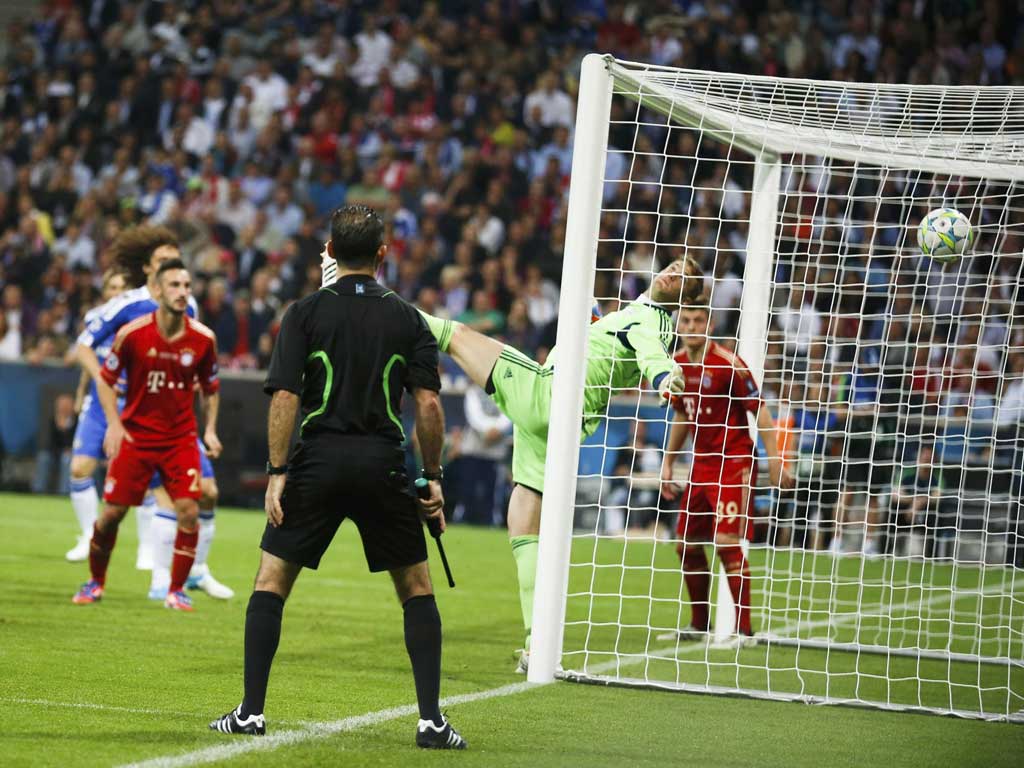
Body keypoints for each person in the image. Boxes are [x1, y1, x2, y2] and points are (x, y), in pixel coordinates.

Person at [211, 206, 466, 750]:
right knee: (415, 589)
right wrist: (433, 477)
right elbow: (428, 406)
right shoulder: (409, 319)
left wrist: (278, 472)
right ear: (382, 253)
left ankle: (251, 713)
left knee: (271, 582)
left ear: (329, 249)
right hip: (382, 463)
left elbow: (284, 396)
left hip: (319, 461)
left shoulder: (304, 313)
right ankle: (430, 723)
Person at [383, 254, 704, 672]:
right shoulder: (634, 312)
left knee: (456, 334)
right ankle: (539, 645)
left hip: (547, 395)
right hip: (561, 428)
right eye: (675, 266)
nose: (673, 274)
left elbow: (649, 353)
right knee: (524, 528)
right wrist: (591, 316)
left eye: (683, 279)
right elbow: (611, 347)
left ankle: (376, 305)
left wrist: (663, 376)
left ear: (683, 299)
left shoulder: (654, 322)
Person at [74, 226, 232, 599]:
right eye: (167, 270)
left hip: (177, 429)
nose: (180, 289)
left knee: (203, 495)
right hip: (135, 422)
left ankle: (181, 579)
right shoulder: (129, 318)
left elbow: (207, 382)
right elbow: (91, 354)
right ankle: (103, 573)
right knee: (111, 507)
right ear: (152, 276)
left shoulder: (195, 324)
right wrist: (111, 403)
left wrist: (208, 428)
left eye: (185, 283)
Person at [660, 298, 793, 644]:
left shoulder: (729, 364)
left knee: (725, 541)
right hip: (701, 463)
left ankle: (744, 630)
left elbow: (759, 411)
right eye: (685, 321)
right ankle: (699, 625)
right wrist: (668, 462)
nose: (690, 327)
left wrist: (775, 459)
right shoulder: (675, 365)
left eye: (697, 321)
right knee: (685, 544)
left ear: (710, 325)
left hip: (733, 461)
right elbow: (681, 414)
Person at [65, 267, 128, 561]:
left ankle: (151, 552)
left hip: (131, 404)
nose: (116, 293)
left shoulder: (137, 321)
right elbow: (83, 357)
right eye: (111, 287)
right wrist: (80, 395)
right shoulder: (94, 319)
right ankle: (89, 536)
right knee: (79, 468)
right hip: (97, 404)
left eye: (121, 288)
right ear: (105, 291)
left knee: (147, 481)